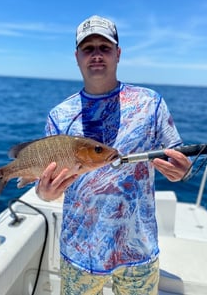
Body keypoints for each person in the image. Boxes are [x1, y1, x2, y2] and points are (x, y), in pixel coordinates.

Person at [36, 15, 191, 295]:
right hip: (80, 251)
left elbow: (177, 161)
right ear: (77, 57)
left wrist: (183, 171)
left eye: (104, 48)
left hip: (138, 250)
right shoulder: (59, 116)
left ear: (118, 54)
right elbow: (47, 184)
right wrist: (45, 193)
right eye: (88, 48)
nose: (96, 55)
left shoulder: (150, 103)